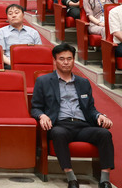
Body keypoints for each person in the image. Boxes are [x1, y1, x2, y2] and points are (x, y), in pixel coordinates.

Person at [31, 43, 115, 188]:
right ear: (55, 61)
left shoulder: (83, 82)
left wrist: (99, 116)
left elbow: (90, 108)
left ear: (73, 60)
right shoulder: (44, 81)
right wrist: (42, 116)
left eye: (69, 59)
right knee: (58, 133)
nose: (66, 62)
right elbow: (35, 107)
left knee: (104, 134)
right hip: (60, 124)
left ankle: (104, 180)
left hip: (83, 125)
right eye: (62, 59)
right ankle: (71, 178)